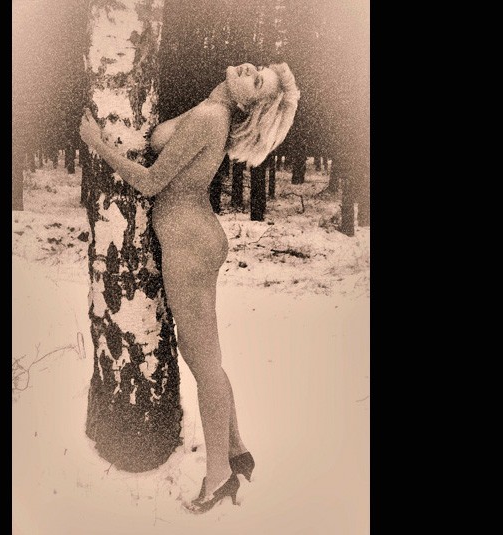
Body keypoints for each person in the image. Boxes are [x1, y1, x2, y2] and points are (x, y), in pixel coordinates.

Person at [79, 62, 300, 514]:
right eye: (258, 69)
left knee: (204, 362)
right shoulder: (212, 109)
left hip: (190, 243)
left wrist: (98, 144)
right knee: (203, 356)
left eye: (257, 80)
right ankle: (236, 450)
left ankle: (218, 477)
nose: (250, 69)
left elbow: (151, 182)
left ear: (247, 103)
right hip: (194, 235)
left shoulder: (210, 117)